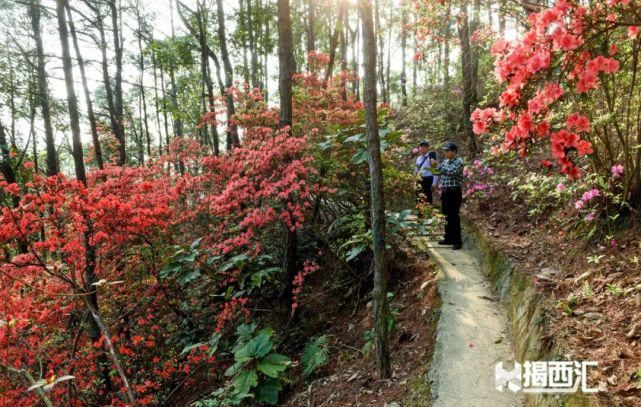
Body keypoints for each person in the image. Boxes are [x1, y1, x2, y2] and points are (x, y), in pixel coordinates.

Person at [431, 142, 464, 250]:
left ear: (454, 151)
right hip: (445, 192)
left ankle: (457, 241)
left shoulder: (459, 162)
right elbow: (438, 173)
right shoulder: (445, 161)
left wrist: (438, 166)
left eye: (447, 150)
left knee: (454, 216)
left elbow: (451, 172)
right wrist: (433, 167)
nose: (445, 152)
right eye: (445, 150)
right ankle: (448, 238)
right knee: (446, 216)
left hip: (454, 191)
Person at [414, 140, 439, 204]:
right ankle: (420, 213)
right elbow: (416, 170)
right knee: (419, 199)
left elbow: (436, 170)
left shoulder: (431, 156)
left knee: (428, 199)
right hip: (419, 180)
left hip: (428, 180)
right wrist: (415, 180)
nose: (422, 148)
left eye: (424, 147)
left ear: (428, 148)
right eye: (421, 147)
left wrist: (434, 182)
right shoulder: (419, 158)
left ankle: (428, 213)